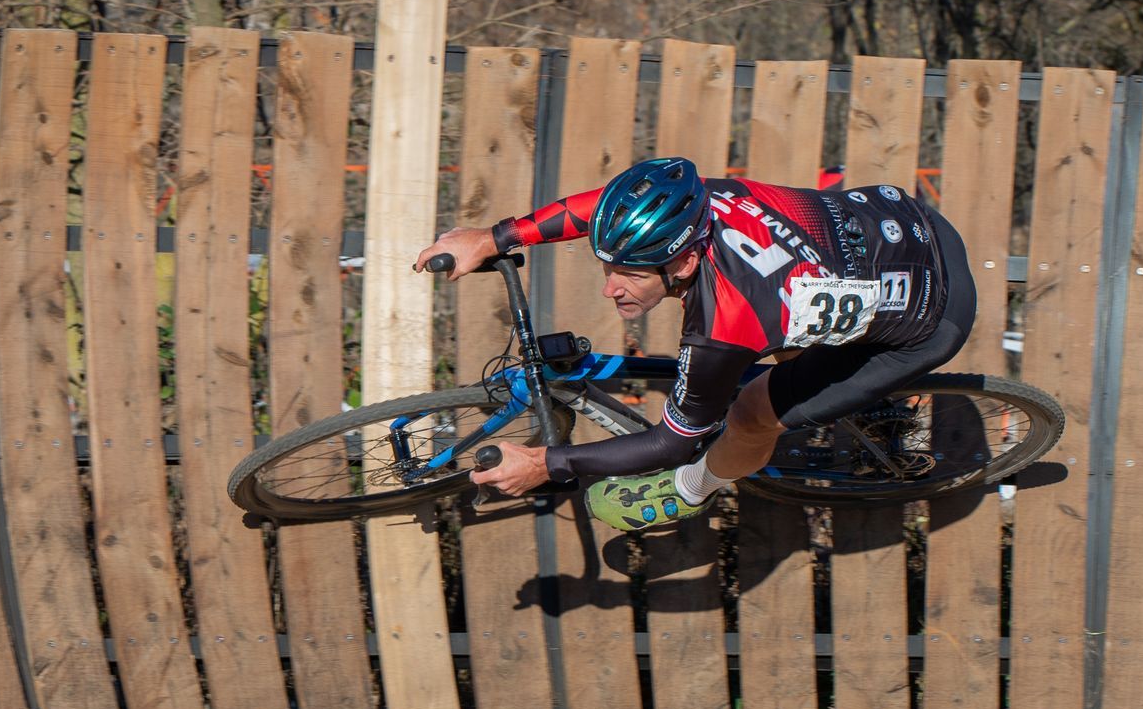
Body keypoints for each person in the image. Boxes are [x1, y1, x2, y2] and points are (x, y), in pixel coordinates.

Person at [413, 156, 977, 531]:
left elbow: (671, 442)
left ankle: (693, 492)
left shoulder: (727, 320)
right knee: (784, 340)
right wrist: (495, 236)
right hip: (904, 224)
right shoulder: (695, 202)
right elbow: (606, 207)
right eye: (608, 266)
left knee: (752, 413)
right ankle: (823, 369)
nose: (611, 288)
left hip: (932, 316)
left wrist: (545, 462)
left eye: (631, 274)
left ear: (684, 259)